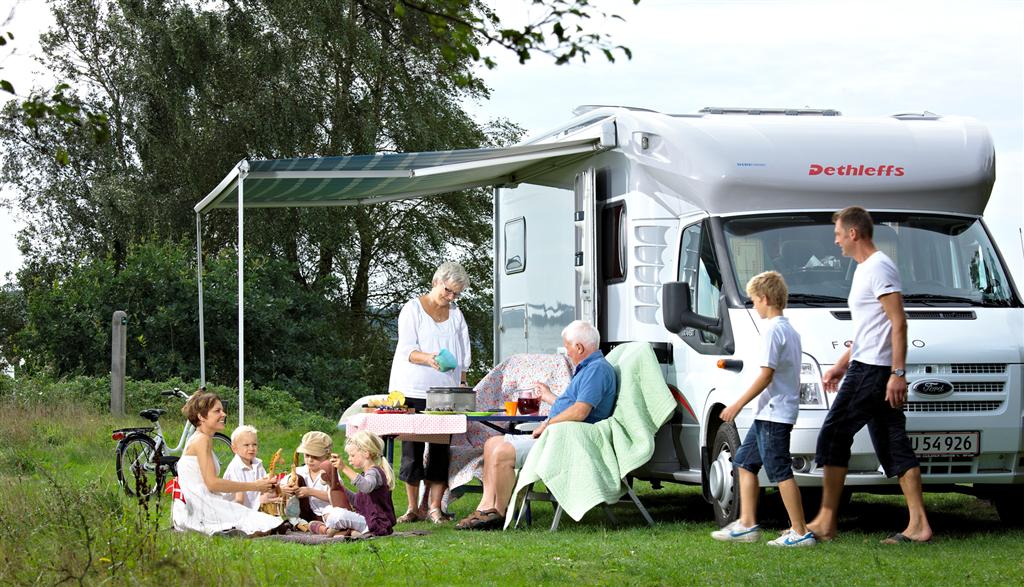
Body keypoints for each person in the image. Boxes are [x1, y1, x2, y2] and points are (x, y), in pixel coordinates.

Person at [808, 206, 932, 544]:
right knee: (893, 442)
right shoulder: (864, 269)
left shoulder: (879, 267)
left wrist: (897, 373)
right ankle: (919, 524)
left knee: (834, 434)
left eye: (838, 235)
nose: (836, 241)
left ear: (853, 233)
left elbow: (898, 322)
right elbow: (869, 328)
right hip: (866, 364)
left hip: (874, 370)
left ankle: (826, 521)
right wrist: (841, 363)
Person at [456, 320, 617, 530]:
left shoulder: (596, 370)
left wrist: (548, 423)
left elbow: (580, 411)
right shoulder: (588, 369)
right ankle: (486, 507)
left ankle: (500, 513)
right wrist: (550, 397)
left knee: (502, 451)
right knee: (491, 443)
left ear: (579, 347)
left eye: (567, 346)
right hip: (558, 434)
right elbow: (573, 405)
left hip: (569, 440)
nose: (566, 352)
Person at [713, 271, 815, 547]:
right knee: (744, 462)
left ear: (766, 299)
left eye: (755, 300)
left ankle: (800, 532)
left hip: (774, 414)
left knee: (780, 471)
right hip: (768, 414)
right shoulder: (790, 331)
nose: (754, 305)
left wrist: (737, 404)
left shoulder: (772, 331)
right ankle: (747, 524)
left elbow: (766, 375)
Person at [388, 261, 472, 524]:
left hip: (444, 392)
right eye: (448, 291)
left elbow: (463, 355)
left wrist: (462, 383)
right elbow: (407, 350)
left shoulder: (456, 315)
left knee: (439, 449)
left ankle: (435, 507)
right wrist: (429, 359)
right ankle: (412, 508)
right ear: (436, 281)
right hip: (411, 387)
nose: (451, 297)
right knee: (411, 449)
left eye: (456, 294)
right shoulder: (412, 310)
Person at [171, 390, 284, 536]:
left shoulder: (201, 438)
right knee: (265, 523)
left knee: (263, 521)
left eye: (222, 410)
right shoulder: (202, 440)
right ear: (201, 416)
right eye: (217, 411)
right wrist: (254, 486)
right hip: (201, 508)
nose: (223, 414)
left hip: (200, 504)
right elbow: (212, 484)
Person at [309, 430, 397, 537]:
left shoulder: (374, 472)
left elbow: (366, 487)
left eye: (352, 455)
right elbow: (357, 501)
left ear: (366, 453)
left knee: (336, 515)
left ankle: (333, 530)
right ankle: (352, 532)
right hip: (368, 520)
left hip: (377, 523)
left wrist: (344, 468)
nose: (349, 459)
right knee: (329, 510)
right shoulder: (367, 474)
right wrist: (336, 485)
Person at [279, 431, 351, 524]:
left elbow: (337, 496)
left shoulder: (330, 473)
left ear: (327, 456)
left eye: (315, 457)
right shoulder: (300, 470)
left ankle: (324, 527)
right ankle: (297, 521)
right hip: (304, 512)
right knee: (297, 478)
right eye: (307, 455)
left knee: (334, 514)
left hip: (324, 513)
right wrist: (285, 488)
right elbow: (281, 484)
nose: (310, 460)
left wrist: (311, 492)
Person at [223, 424, 275, 510]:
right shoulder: (235, 467)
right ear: (234, 449)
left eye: (254, 444)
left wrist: (271, 483)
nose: (251, 448)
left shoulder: (257, 463)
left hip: (255, 507)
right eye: (246, 445)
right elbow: (239, 498)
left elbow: (264, 485)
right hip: (238, 510)